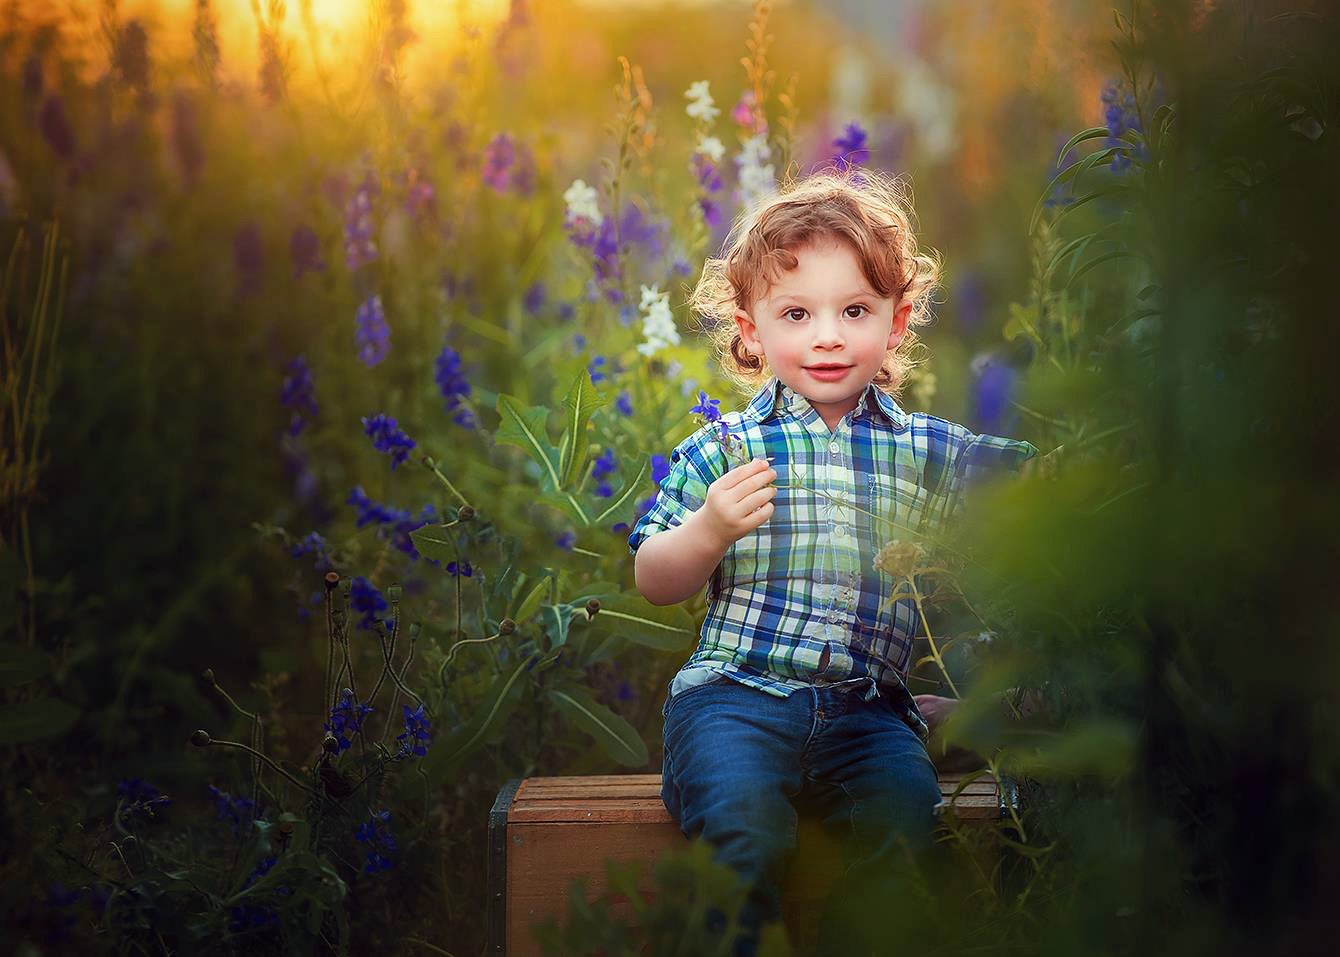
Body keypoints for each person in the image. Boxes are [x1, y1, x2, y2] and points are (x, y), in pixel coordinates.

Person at [627, 166, 1042, 957]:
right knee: (742, 823)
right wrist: (709, 528)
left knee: (904, 821)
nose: (827, 335)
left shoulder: (923, 449)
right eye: (796, 312)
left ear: (897, 321)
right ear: (750, 329)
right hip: (735, 700)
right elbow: (654, 576)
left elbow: (1025, 479)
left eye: (855, 310)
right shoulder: (723, 449)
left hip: (867, 713)